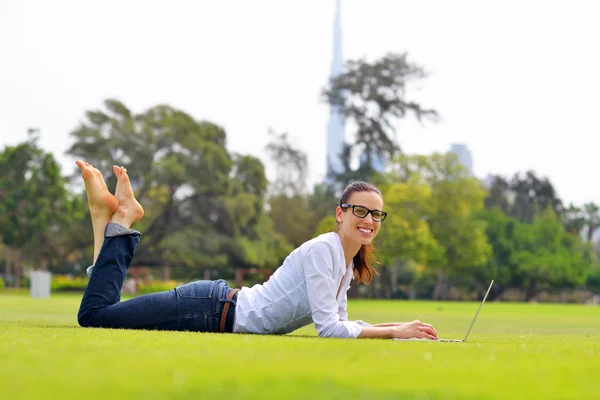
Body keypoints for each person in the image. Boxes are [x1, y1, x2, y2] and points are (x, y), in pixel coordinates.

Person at [76, 160, 438, 340]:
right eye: (360, 211)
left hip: (216, 308)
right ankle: (120, 219)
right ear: (340, 214)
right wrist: (395, 332)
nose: (369, 220)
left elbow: (343, 325)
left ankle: (105, 219)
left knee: (102, 312)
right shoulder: (322, 251)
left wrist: (402, 328)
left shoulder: (343, 260)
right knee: (95, 316)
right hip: (208, 310)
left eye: (376, 214)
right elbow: (329, 330)